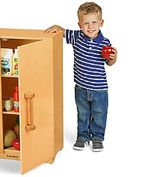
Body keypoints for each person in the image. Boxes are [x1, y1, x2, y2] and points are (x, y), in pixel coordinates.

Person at [45, 2, 117, 152]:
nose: (90, 27)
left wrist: (114, 57)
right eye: (86, 23)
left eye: (94, 22)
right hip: (81, 87)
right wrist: (58, 27)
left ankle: (97, 138)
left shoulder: (104, 43)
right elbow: (63, 32)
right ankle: (82, 137)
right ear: (79, 25)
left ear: (101, 23)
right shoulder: (77, 37)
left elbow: (109, 63)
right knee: (83, 113)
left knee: (99, 115)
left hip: (99, 89)